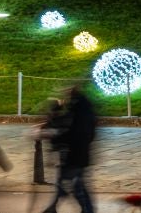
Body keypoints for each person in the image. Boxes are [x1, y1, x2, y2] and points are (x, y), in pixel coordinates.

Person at [40, 80, 96, 213]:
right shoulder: (81, 107)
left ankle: (87, 210)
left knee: (74, 184)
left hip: (75, 153)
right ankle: (55, 207)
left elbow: (73, 132)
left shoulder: (79, 109)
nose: (65, 95)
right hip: (77, 153)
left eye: (67, 92)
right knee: (70, 181)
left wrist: (54, 136)